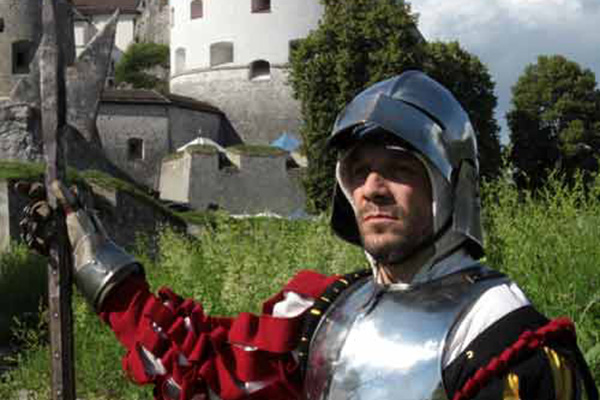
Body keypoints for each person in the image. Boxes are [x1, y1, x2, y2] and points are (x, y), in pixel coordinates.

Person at [19, 71, 598, 400]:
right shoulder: (328, 312)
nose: (373, 189)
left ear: (451, 186)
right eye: (359, 172)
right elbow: (210, 374)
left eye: (399, 169)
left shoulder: (503, 334)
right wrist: (91, 258)